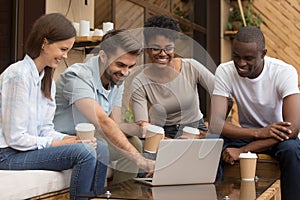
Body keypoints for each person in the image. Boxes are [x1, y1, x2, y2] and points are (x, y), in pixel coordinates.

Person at [0, 13, 109, 200]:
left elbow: (45, 130)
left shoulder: (47, 80)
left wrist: (71, 138)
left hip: (27, 149)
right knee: (85, 153)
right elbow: (15, 138)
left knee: (100, 148)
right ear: (44, 43)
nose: (65, 56)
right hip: (8, 154)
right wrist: (59, 143)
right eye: (63, 49)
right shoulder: (18, 76)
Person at [209, 26, 300, 200]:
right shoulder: (225, 71)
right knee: (212, 142)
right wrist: (257, 132)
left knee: (292, 149)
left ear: (263, 54)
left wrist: (243, 150)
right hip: (249, 133)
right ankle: (215, 196)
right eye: (236, 56)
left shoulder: (283, 72)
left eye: (248, 58)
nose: (241, 63)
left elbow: (292, 130)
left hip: (278, 137)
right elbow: (215, 124)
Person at [53, 29, 155, 185]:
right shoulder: (77, 76)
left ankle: (122, 195)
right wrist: (140, 160)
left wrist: (140, 129)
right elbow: (103, 121)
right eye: (120, 64)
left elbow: (115, 124)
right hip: (65, 139)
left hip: (94, 136)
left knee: (133, 141)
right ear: (102, 56)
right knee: (102, 146)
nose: (125, 72)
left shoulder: (117, 78)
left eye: (130, 66)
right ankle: (99, 195)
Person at [131, 14, 215, 139]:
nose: (163, 54)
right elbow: (142, 124)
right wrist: (170, 142)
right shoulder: (139, 81)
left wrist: (211, 129)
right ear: (147, 47)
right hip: (161, 133)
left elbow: (221, 94)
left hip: (196, 130)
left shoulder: (191, 67)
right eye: (156, 48)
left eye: (168, 48)